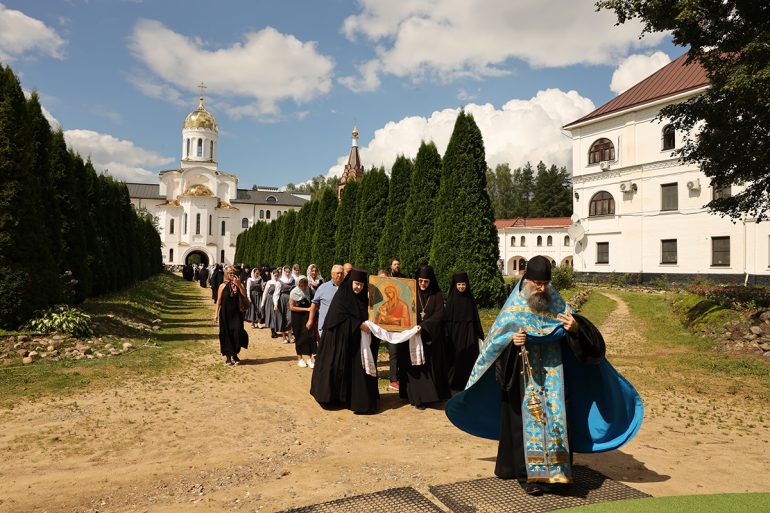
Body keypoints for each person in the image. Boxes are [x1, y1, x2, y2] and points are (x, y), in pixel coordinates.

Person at [445, 256, 643, 496]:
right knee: (524, 425)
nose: (541, 288)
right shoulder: (513, 308)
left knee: (558, 420)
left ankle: (558, 474)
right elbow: (494, 345)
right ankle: (528, 476)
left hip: (555, 377)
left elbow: (585, 342)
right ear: (526, 280)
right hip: (523, 376)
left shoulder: (557, 305)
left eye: (545, 284)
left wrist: (575, 329)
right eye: (537, 283)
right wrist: (513, 342)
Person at [310, 269, 379, 414]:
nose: (358, 287)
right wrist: (358, 324)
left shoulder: (363, 299)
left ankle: (355, 400)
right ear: (351, 282)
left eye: (361, 285)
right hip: (337, 341)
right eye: (356, 284)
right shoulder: (342, 296)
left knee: (355, 370)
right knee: (335, 367)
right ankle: (331, 398)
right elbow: (338, 319)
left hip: (355, 341)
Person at [397, 264, 450, 408]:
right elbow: (404, 310)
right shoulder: (411, 293)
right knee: (414, 367)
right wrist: (413, 326)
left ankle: (433, 395)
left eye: (426, 281)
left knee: (429, 367)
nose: (422, 284)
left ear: (430, 281)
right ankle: (417, 397)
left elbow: (440, 314)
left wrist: (424, 326)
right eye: (420, 281)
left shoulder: (436, 295)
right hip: (412, 335)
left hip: (429, 337)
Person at [444, 271, 484, 391]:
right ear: (455, 285)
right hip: (455, 335)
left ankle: (468, 382)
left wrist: (479, 333)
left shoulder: (470, 300)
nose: (461, 287)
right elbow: (447, 321)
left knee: (469, 357)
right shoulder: (451, 300)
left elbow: (476, 318)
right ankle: (453, 382)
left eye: (463, 284)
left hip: (469, 333)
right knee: (455, 357)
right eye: (459, 284)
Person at [214, 265, 249, 366]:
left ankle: (235, 353)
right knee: (226, 334)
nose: (232, 274)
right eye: (230, 273)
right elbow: (218, 301)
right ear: (226, 274)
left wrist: (239, 285)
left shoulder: (238, 284)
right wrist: (216, 314)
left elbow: (244, 294)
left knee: (237, 332)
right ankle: (229, 357)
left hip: (236, 313)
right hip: (225, 313)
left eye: (233, 273)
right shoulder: (222, 286)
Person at [307, 265, 343, 338]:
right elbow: (314, 304)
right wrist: (310, 320)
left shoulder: (347, 287)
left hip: (341, 327)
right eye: (338, 273)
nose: (340, 275)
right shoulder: (323, 287)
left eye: (341, 273)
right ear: (332, 274)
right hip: (326, 327)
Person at [290, 276, 316, 368]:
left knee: (309, 336)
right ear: (298, 283)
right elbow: (291, 307)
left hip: (308, 316)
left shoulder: (310, 290)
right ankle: (300, 358)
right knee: (299, 336)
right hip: (297, 317)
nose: (304, 286)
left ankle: (309, 358)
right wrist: (306, 309)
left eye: (305, 283)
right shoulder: (294, 292)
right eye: (302, 284)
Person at [275, 266, 295, 343]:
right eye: (286, 272)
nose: (287, 273)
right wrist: (275, 303)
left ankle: (290, 335)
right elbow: (276, 293)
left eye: (289, 272)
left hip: (291, 299)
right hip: (282, 300)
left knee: (290, 318)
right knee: (282, 317)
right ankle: (284, 336)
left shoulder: (293, 280)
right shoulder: (280, 281)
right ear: (284, 272)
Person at [261, 268, 282, 338]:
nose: (276, 277)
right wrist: (263, 302)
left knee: (277, 315)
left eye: (277, 275)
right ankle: (273, 331)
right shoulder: (269, 282)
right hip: (270, 300)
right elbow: (265, 292)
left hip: (278, 300)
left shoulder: (280, 282)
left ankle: (276, 329)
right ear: (273, 275)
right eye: (275, 275)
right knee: (271, 315)